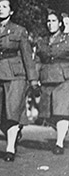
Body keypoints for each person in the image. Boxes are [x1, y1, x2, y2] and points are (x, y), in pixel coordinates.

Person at [0, 0, 39, 162]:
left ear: (11, 11)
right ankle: (12, 135)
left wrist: (33, 80)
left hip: (15, 75)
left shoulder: (19, 30)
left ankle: (10, 148)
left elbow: (27, 57)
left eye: (4, 7)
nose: (0, 9)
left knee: (12, 111)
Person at [36, 11, 69, 155]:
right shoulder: (42, 41)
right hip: (46, 77)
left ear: (60, 23)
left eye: (54, 21)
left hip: (64, 78)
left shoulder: (67, 39)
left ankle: (59, 143)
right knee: (49, 115)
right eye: (48, 21)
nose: (50, 24)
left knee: (61, 111)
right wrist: (35, 77)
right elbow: (37, 60)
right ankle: (63, 131)